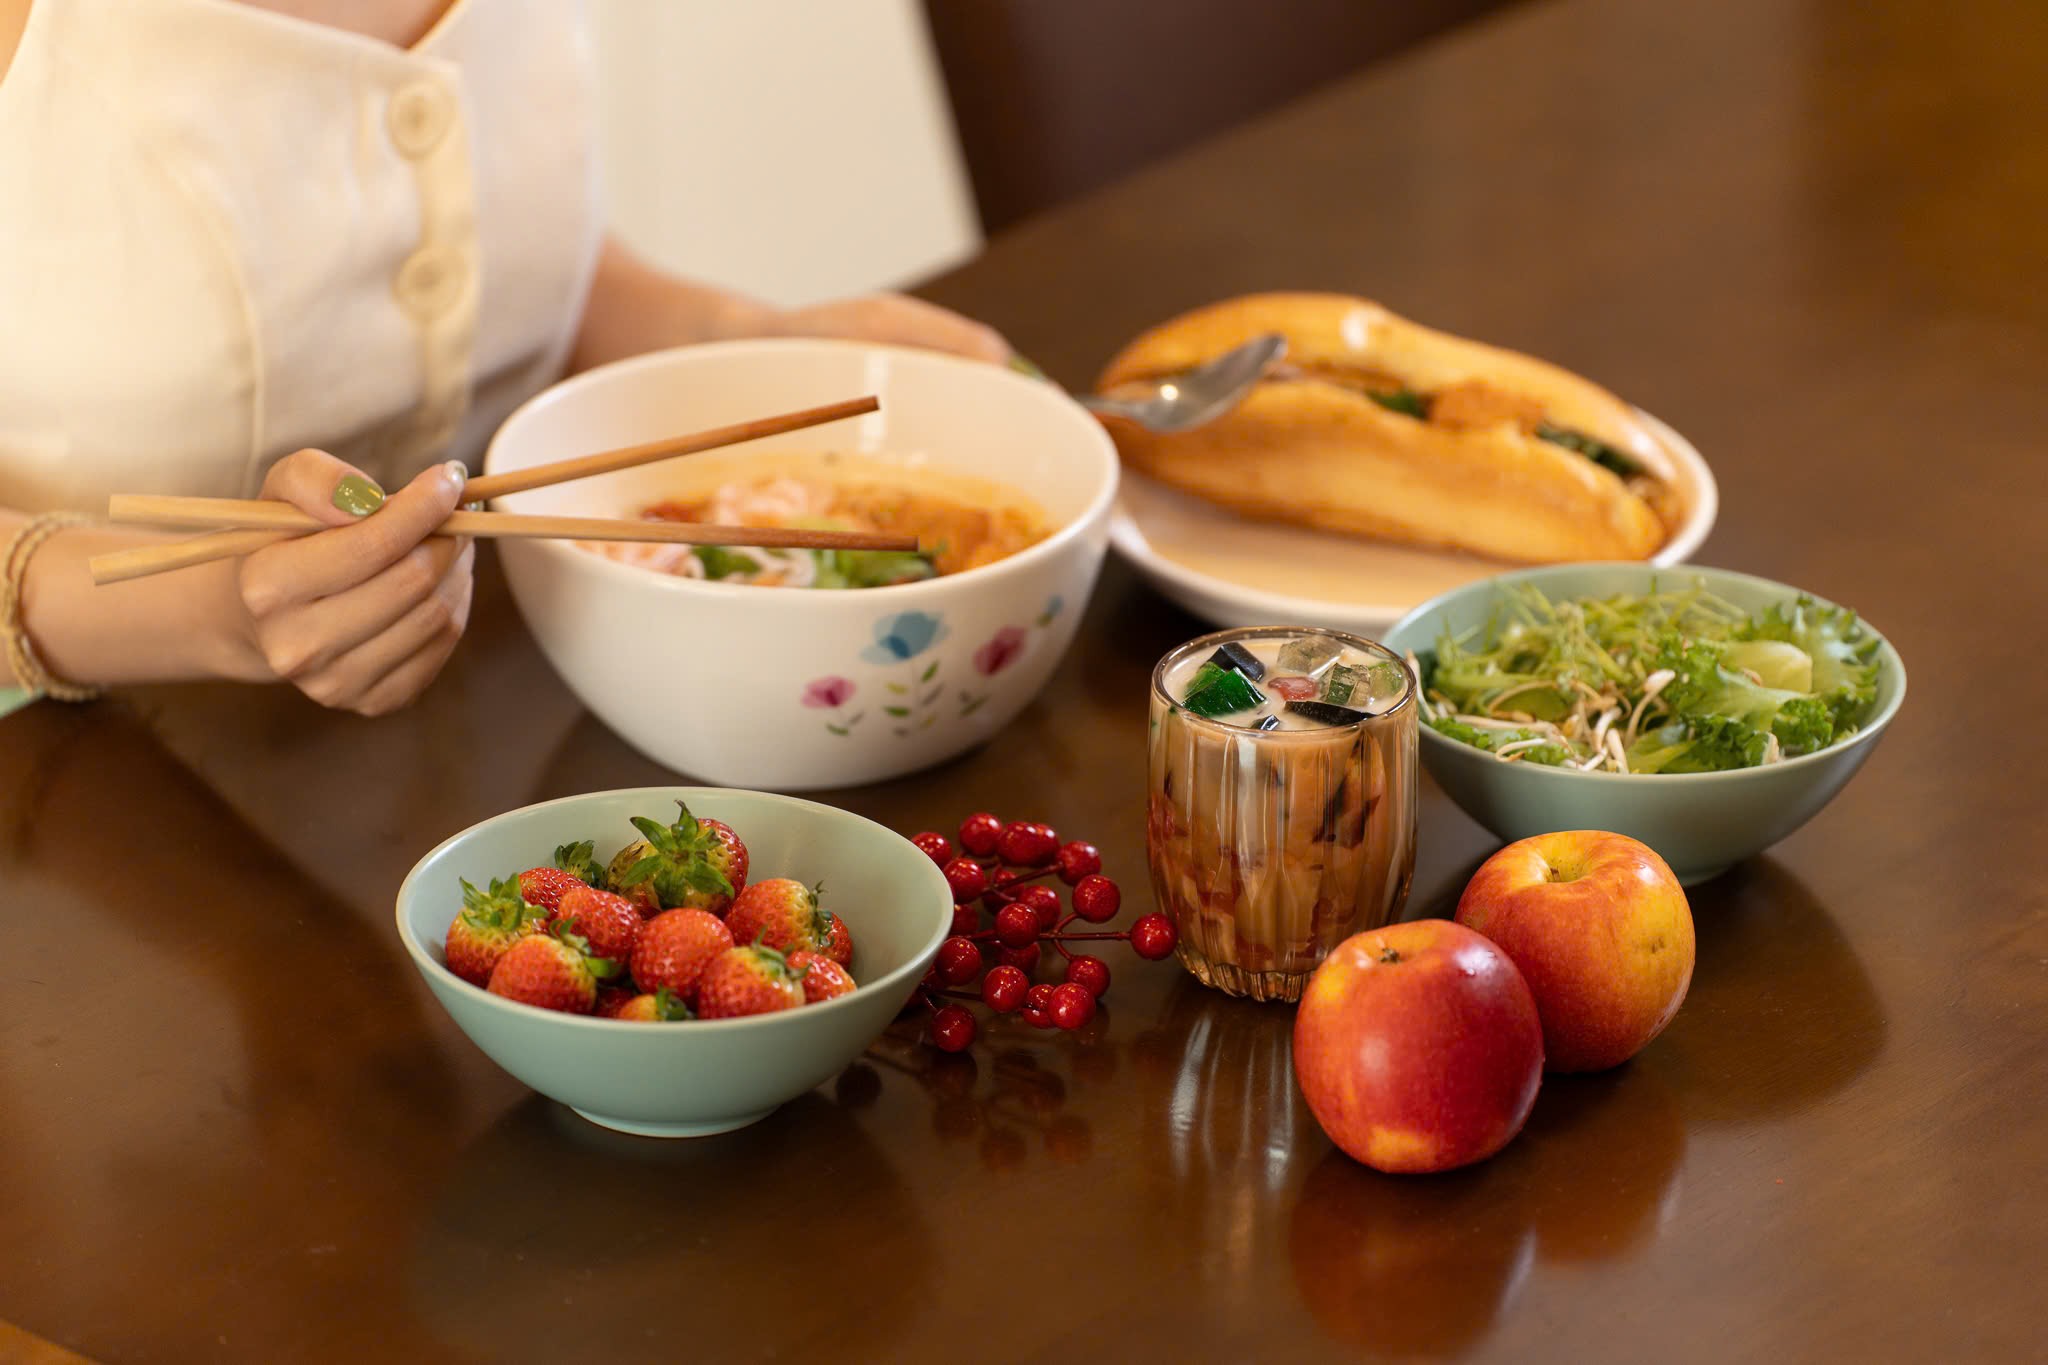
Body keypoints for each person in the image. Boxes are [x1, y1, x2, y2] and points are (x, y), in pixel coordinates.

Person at [0, 0, 1010, 715]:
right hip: (89, 804)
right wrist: (210, 614)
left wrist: (749, 344)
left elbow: (530, 264)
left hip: (493, 713)